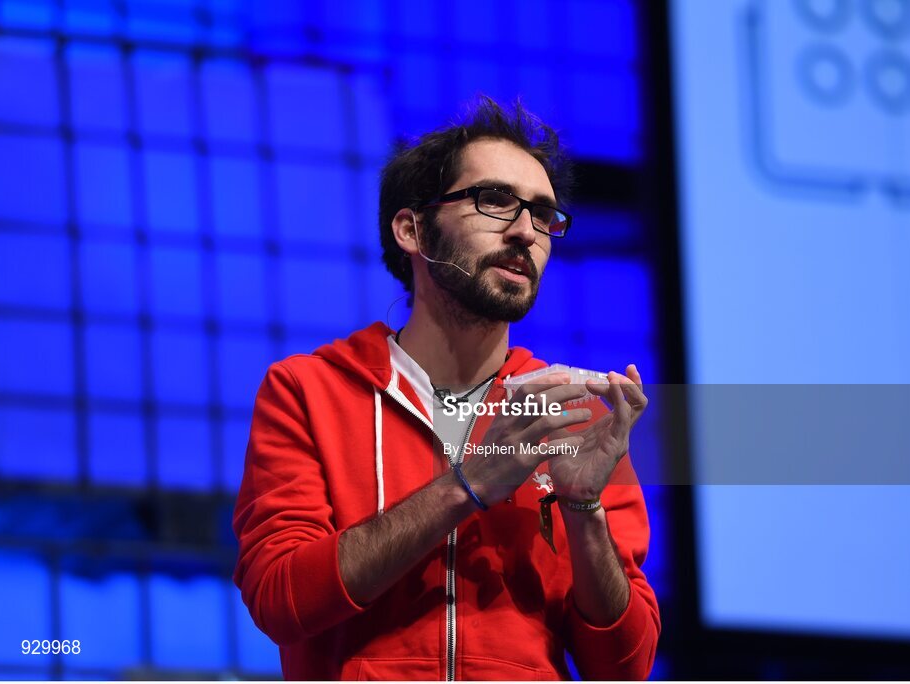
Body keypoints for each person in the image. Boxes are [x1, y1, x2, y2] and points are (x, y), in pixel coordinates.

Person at [232, 97, 660, 680]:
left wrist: (584, 509)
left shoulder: (572, 413)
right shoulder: (307, 390)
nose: (525, 232)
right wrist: (470, 484)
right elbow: (281, 599)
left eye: (544, 215)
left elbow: (624, 669)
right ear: (412, 229)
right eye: (496, 200)